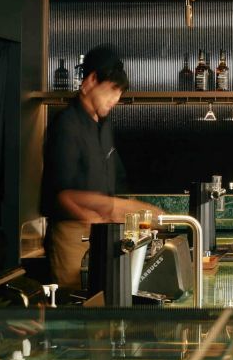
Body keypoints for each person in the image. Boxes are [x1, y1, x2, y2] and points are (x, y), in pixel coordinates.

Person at [41, 45, 157, 288]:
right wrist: (112, 211)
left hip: (103, 235)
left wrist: (128, 211)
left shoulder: (104, 126)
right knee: (76, 302)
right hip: (73, 237)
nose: (117, 98)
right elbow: (62, 196)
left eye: (120, 92)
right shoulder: (66, 124)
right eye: (113, 89)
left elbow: (115, 181)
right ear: (92, 80)